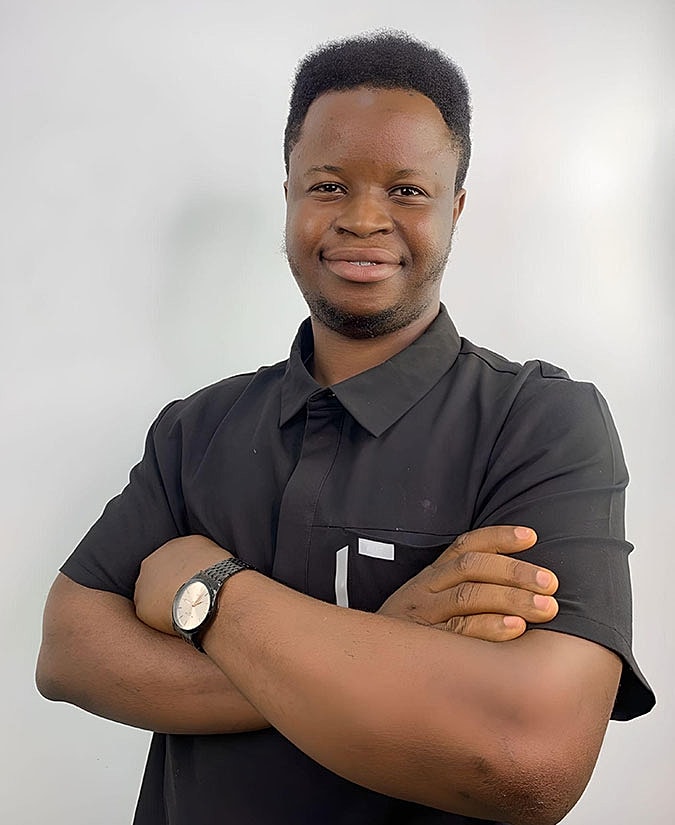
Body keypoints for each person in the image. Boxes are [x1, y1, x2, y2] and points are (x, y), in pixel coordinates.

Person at [36, 29, 654, 825]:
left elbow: (528, 759)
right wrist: (375, 640)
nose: (364, 218)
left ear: (454, 208)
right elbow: (69, 652)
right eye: (328, 186)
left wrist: (211, 595)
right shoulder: (198, 426)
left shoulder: (538, 422)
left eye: (406, 190)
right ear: (289, 195)